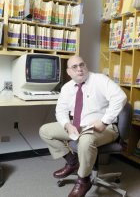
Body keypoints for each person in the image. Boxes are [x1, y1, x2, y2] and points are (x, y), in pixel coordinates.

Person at [39, 55, 127, 197]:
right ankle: (72, 162)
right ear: (68, 72)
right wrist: (67, 124)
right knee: (45, 131)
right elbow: (60, 110)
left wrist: (104, 121)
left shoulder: (100, 80)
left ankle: (83, 180)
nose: (79, 69)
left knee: (86, 140)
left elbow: (120, 97)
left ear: (86, 66)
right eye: (74, 67)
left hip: (104, 128)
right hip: (78, 126)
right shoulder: (67, 88)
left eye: (82, 65)